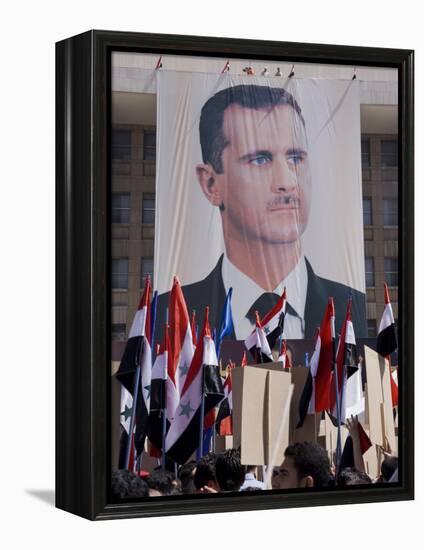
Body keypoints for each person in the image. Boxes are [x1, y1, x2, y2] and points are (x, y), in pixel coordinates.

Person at [156, 84, 366, 341]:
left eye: (295, 158)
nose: (287, 182)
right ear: (211, 183)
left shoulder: (352, 307)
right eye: (260, 160)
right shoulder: (167, 317)